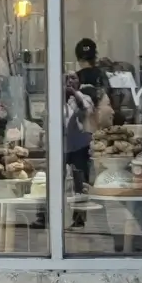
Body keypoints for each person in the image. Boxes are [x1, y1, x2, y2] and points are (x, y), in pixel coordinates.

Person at [64, 73, 94, 227]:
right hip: (61, 146)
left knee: (80, 182)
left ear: (79, 81)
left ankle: (79, 218)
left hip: (79, 146)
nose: (70, 81)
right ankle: (46, 216)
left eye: (73, 78)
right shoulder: (55, 98)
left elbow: (85, 111)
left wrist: (74, 94)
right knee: (51, 181)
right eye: (66, 78)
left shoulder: (85, 97)